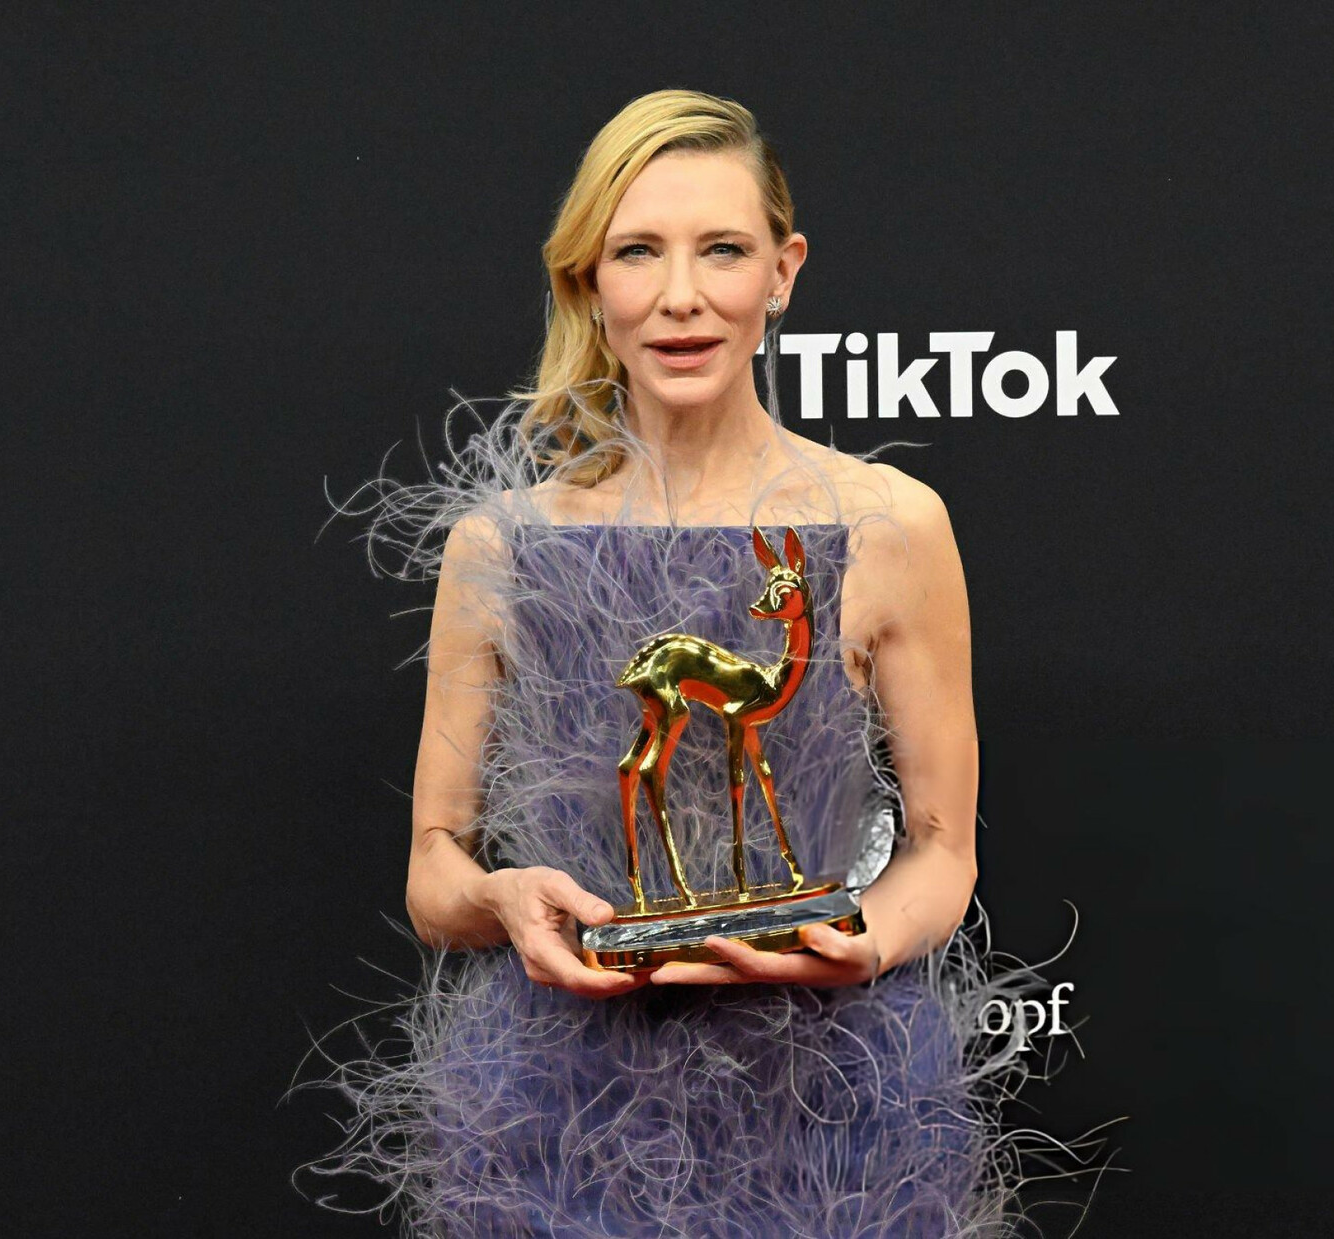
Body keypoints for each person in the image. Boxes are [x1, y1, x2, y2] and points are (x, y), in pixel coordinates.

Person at [297, 88, 1099, 1237]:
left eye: (722, 249)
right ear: (589, 282)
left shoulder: (893, 524)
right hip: (560, 1114)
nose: (682, 295)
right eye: (638, 251)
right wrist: (502, 899)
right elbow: (435, 869)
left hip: (834, 1116)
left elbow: (941, 851)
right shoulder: (501, 545)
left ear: (782, 273)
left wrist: (861, 939)